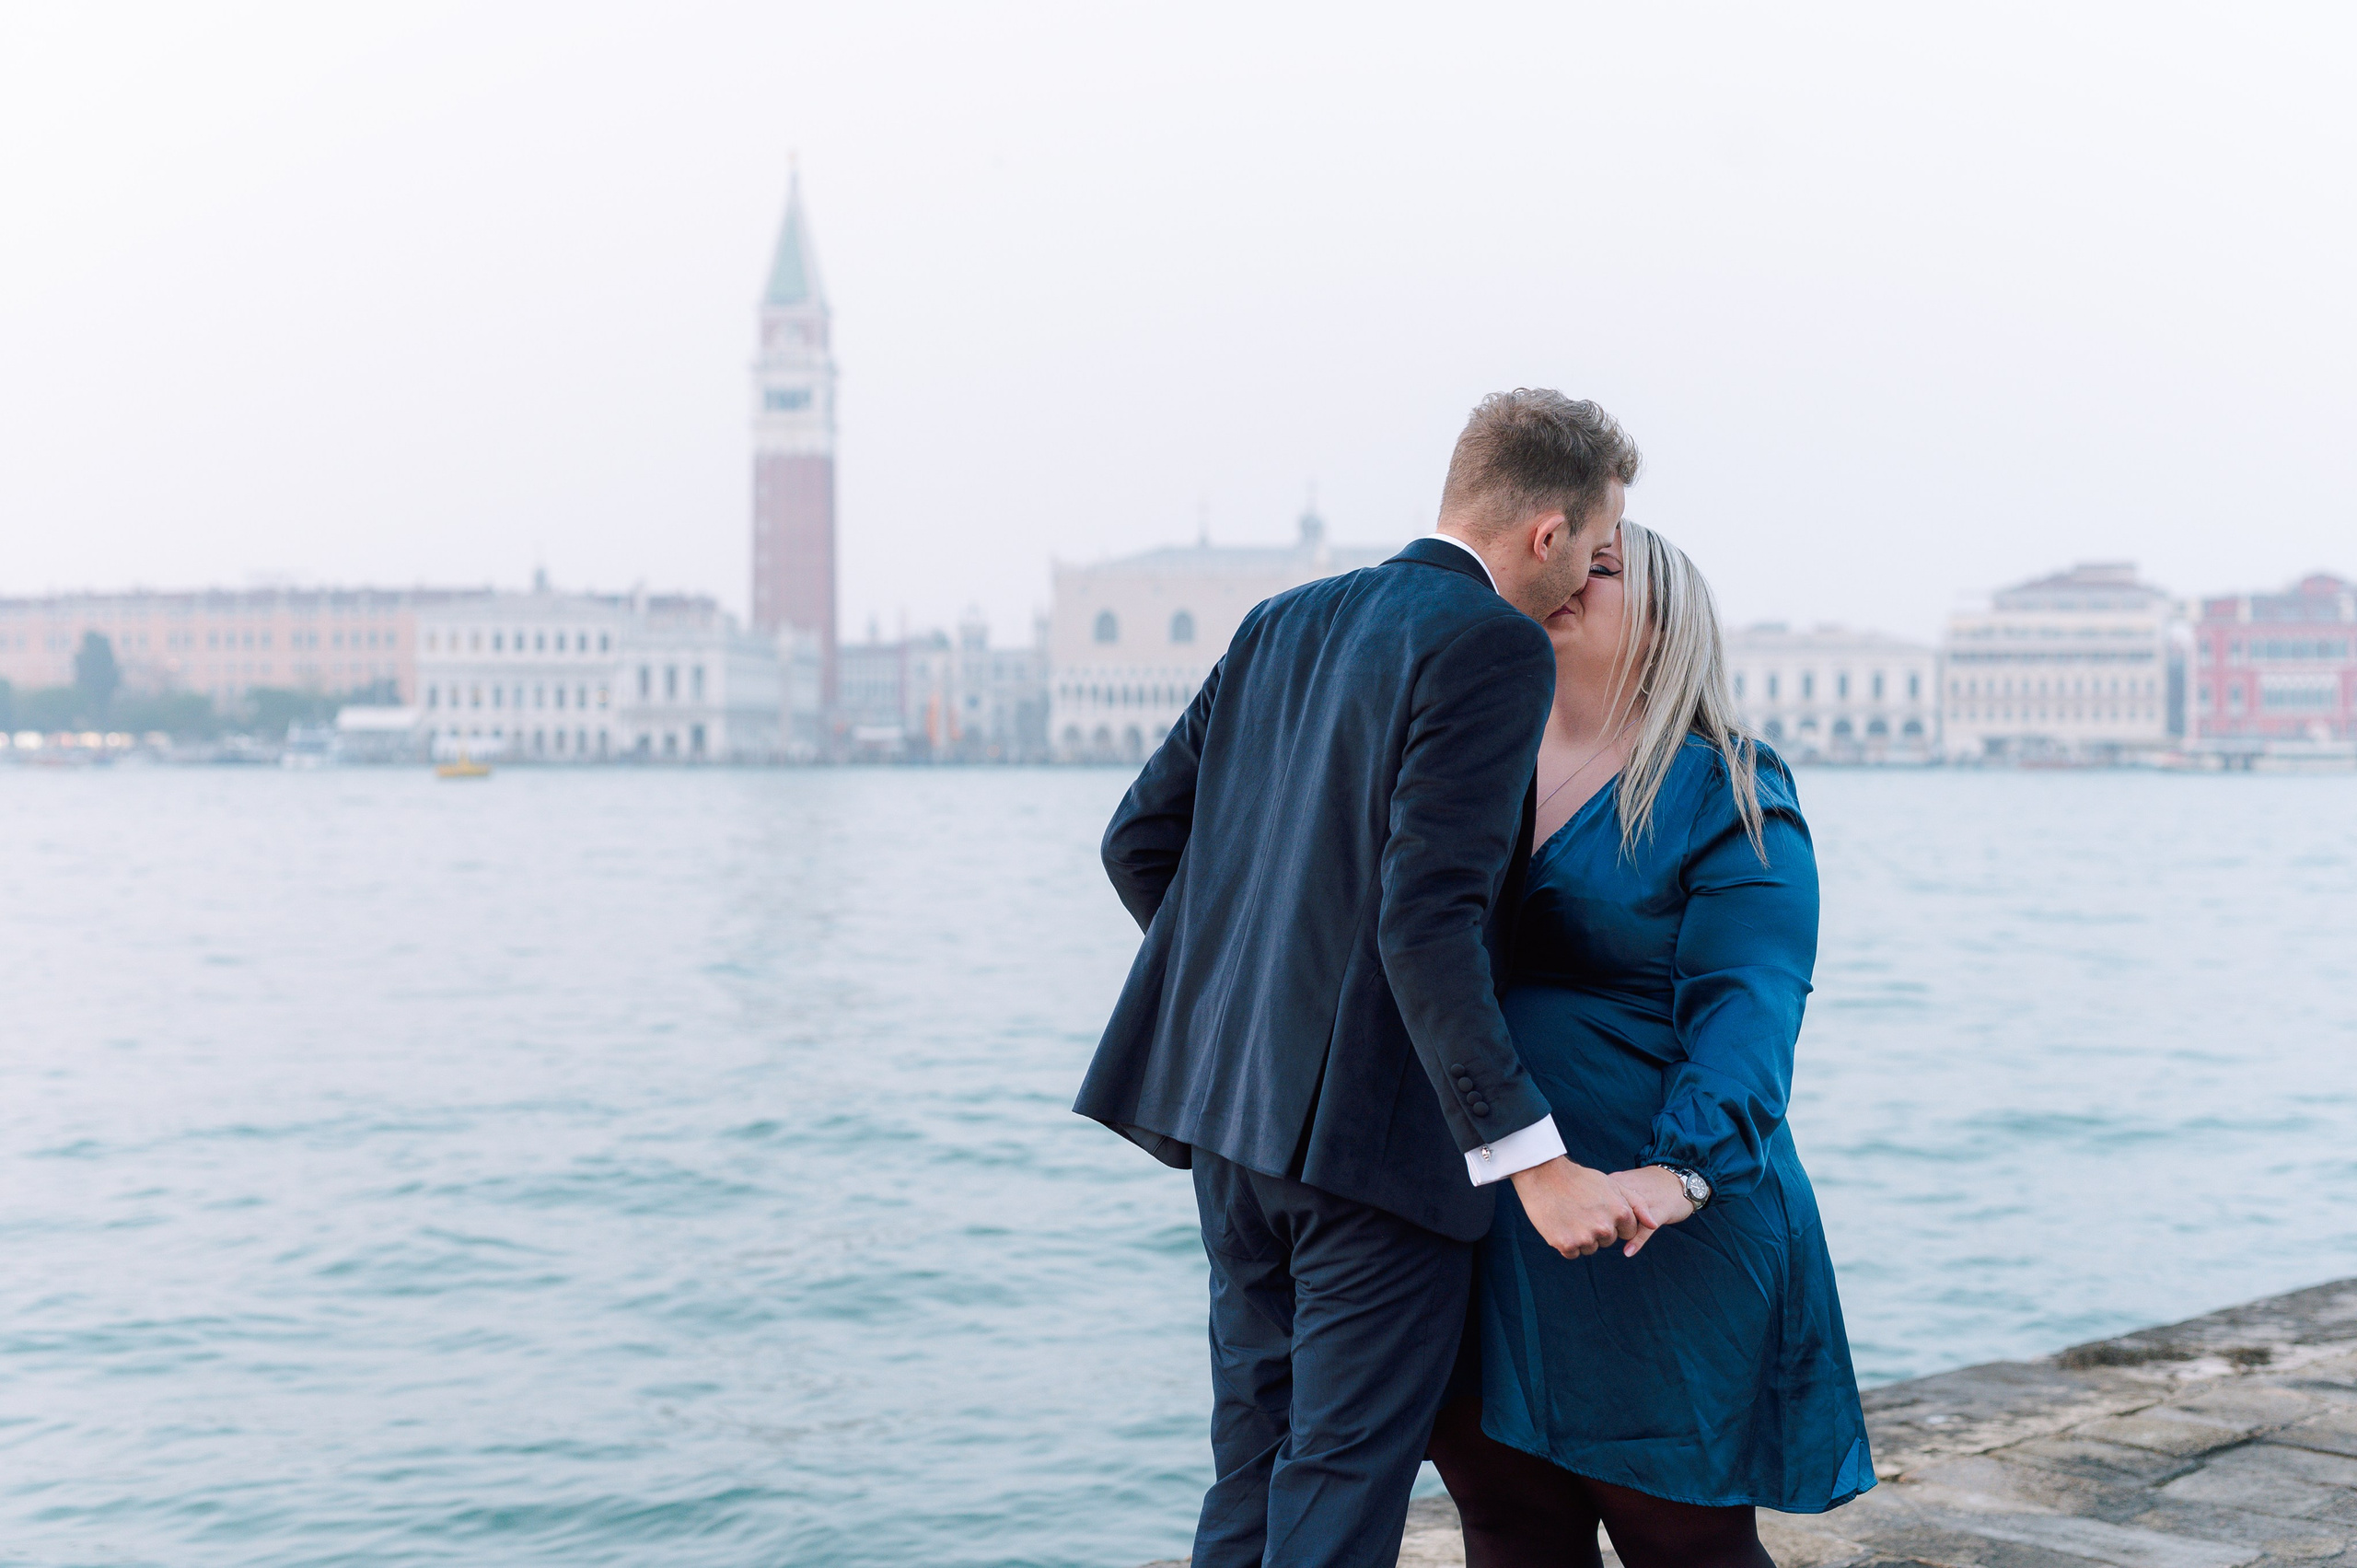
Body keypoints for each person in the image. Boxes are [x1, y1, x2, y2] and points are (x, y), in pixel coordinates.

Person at [1074, 391, 1654, 1568]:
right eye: (1596, 552)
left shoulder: (1281, 620)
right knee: (1340, 1480)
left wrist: (1255, 1000)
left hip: (1230, 1126)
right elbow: (1427, 918)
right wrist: (1532, 1163)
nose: (1589, 582)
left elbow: (1138, 841)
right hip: (1377, 1155)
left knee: (1253, 1463)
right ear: (1545, 533)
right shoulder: (1490, 643)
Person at [1426, 518, 1875, 1568]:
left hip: (1655, 1223)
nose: (1572, 574)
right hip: (1487, 1212)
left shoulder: (1724, 785)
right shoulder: (1468, 770)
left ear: (1668, 614)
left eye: (1607, 565)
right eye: (1567, 555)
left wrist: (1684, 1169)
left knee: (1684, 1544)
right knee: (1506, 1527)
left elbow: (1750, 1004)